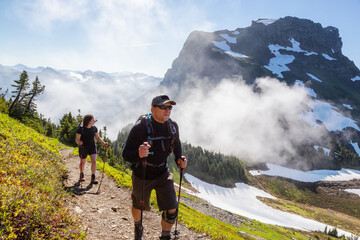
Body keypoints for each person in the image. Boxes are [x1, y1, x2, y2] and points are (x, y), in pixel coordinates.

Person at [123, 95, 188, 240]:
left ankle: (165, 236)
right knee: (139, 206)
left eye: (170, 107)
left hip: (162, 173)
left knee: (172, 208)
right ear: (153, 109)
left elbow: (177, 145)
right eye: (163, 107)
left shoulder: (173, 126)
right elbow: (126, 154)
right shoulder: (140, 128)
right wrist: (138, 154)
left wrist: (179, 159)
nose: (168, 110)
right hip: (142, 174)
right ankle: (138, 226)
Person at [75, 114, 108, 184]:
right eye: (93, 119)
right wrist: (79, 142)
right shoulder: (81, 129)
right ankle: (81, 174)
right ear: (89, 121)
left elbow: (98, 138)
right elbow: (77, 139)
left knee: (94, 161)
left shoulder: (94, 128)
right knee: (83, 162)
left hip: (92, 146)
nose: (94, 121)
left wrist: (104, 143)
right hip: (83, 147)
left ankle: (93, 177)